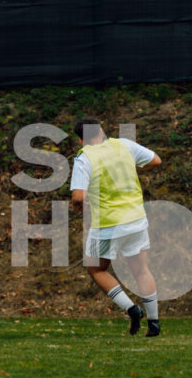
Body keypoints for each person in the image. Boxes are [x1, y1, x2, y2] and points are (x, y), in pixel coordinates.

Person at [70, 118, 163, 336]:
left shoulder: (85, 158)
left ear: (81, 140)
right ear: (102, 131)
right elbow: (156, 160)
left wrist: (78, 205)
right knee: (141, 270)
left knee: (96, 268)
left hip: (108, 223)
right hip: (136, 218)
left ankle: (132, 309)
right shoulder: (124, 145)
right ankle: (154, 323)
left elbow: (78, 196)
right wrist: (135, 167)